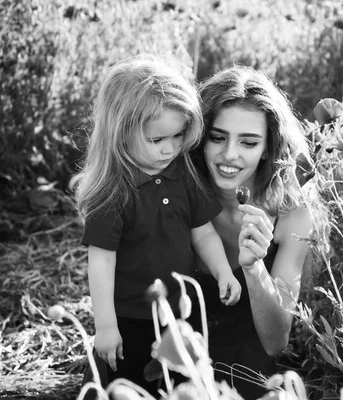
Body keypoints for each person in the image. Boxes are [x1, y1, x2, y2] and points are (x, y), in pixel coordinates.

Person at [71, 55, 241, 396]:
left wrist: (223, 270)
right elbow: (102, 261)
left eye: (178, 136)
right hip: (131, 316)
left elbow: (202, 231)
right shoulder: (114, 192)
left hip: (181, 308)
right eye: (156, 140)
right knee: (134, 386)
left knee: (182, 381)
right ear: (120, 133)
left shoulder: (183, 175)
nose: (170, 148)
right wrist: (105, 326)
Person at [191, 65, 323, 399]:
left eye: (248, 142)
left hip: (242, 370)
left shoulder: (293, 213)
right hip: (170, 347)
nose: (229, 154)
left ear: (268, 147)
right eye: (217, 137)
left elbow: (276, 341)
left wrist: (253, 268)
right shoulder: (177, 193)